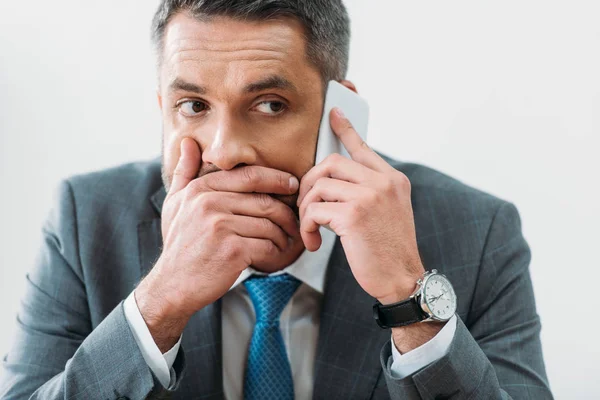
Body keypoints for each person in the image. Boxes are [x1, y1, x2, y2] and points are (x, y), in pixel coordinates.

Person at [0, 1, 553, 399]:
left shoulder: (478, 231)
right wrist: (159, 305)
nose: (225, 152)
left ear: (340, 115)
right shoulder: (83, 218)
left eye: (268, 104)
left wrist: (408, 299)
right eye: (193, 105)